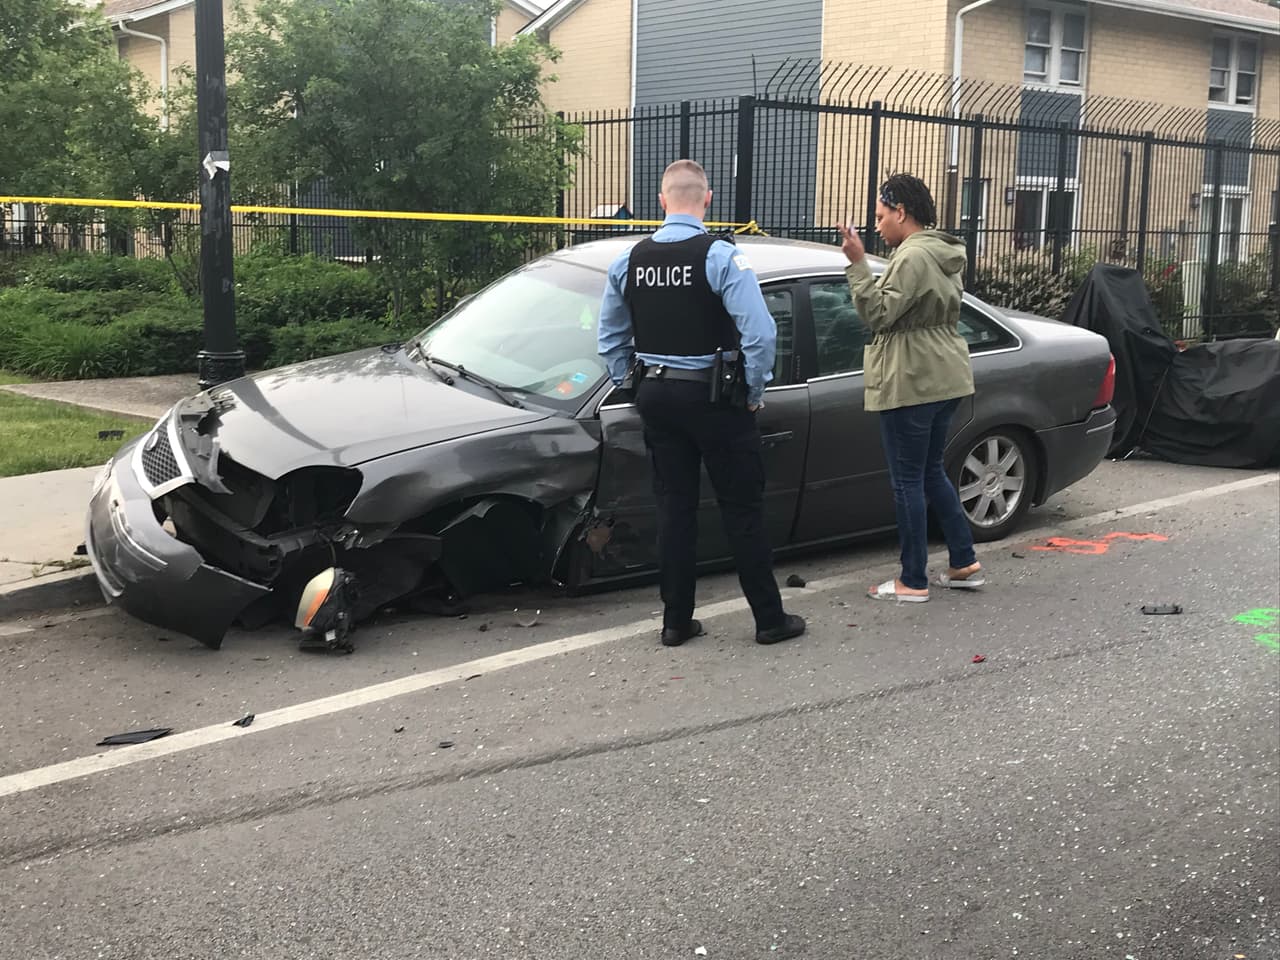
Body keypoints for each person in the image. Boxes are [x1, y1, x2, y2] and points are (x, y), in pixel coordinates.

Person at [597, 159, 806, 646]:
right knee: (742, 509)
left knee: (674, 508)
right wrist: (752, 391)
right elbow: (760, 332)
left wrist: (632, 384)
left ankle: (675, 622)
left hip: (657, 396)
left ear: (662, 201)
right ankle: (769, 620)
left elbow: (609, 339)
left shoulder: (629, 261)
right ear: (707, 200)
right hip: (715, 400)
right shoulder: (721, 257)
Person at [837, 173, 985, 603]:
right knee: (930, 471)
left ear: (901, 212)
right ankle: (963, 562)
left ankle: (913, 580)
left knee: (907, 481)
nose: (877, 225)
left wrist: (857, 263)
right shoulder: (942, 252)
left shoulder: (911, 257)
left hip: (912, 378)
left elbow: (879, 315)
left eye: (881, 216)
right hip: (946, 374)